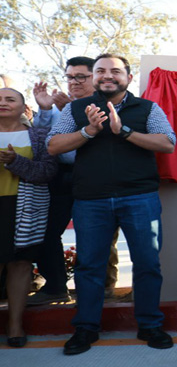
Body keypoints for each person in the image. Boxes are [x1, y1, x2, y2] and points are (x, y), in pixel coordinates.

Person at [47, 54, 176, 355]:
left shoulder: (147, 108)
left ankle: (149, 325)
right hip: (91, 200)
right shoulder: (76, 108)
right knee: (89, 266)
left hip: (140, 198)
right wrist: (89, 131)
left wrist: (124, 131)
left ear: (128, 78)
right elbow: (53, 145)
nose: (108, 76)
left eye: (115, 71)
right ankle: (86, 328)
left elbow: (167, 143)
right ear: (93, 77)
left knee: (147, 263)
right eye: (100, 71)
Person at [28, 56, 122, 306]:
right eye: (70, 76)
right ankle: (56, 286)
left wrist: (77, 110)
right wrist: (46, 110)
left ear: (97, 78)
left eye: (81, 76)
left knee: (99, 235)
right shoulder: (61, 106)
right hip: (60, 176)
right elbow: (45, 142)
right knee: (47, 232)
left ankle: (102, 289)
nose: (74, 82)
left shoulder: (111, 104)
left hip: (96, 177)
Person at [0, 88, 57, 347]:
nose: (3, 103)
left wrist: (15, 161)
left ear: (24, 107)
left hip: (25, 208)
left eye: (10, 99)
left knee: (21, 264)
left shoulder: (39, 135)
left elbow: (47, 171)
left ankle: (15, 326)